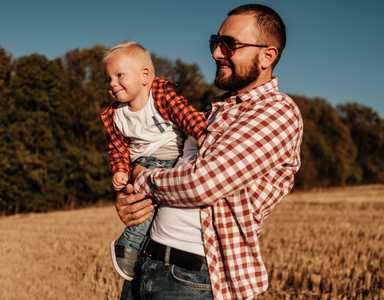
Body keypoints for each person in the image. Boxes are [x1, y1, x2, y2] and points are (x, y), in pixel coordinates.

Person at [116, 4, 303, 299]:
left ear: (267, 55)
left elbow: (202, 184)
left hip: (192, 278)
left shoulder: (277, 111)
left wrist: (142, 178)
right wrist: (131, 200)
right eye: (216, 42)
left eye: (230, 45)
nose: (217, 53)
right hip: (144, 262)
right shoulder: (211, 110)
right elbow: (163, 166)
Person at [100, 41, 208, 281]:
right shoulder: (116, 114)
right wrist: (120, 170)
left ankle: (129, 244)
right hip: (146, 162)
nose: (112, 83)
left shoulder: (159, 96)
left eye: (119, 75)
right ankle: (129, 244)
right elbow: (118, 147)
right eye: (108, 79)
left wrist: (201, 134)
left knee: (154, 203)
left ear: (145, 75)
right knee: (147, 204)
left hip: (171, 158)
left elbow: (185, 113)